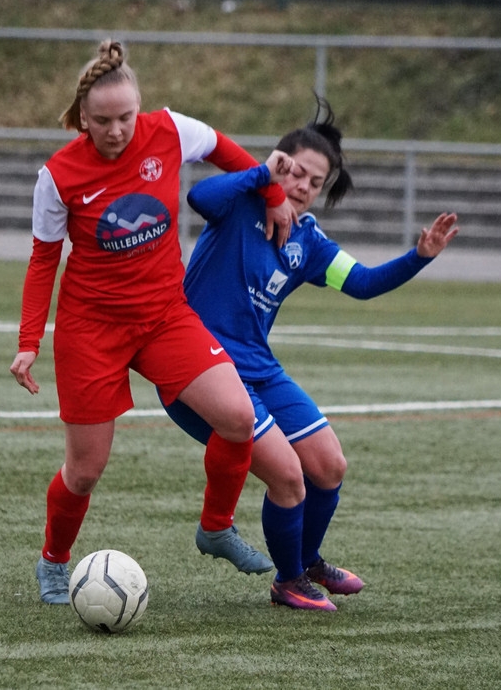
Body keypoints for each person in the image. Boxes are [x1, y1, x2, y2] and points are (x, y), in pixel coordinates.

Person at [10, 40, 297, 605]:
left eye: (125, 117)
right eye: (102, 121)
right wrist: (28, 342)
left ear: (138, 108)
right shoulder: (59, 176)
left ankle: (215, 527)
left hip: (165, 316)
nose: (116, 130)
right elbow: (43, 260)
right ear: (82, 117)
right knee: (85, 470)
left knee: (238, 417)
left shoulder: (169, 130)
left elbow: (229, 151)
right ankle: (54, 561)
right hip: (91, 330)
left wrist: (273, 193)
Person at [163, 97, 459, 611]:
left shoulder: (308, 240)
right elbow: (199, 196)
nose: (302, 186)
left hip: (259, 369)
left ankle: (307, 559)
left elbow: (362, 283)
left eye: (315, 182)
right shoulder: (241, 201)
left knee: (328, 465)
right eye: (295, 172)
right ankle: (290, 580)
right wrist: (262, 177)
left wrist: (419, 257)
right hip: (201, 369)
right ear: (278, 161)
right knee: (287, 475)